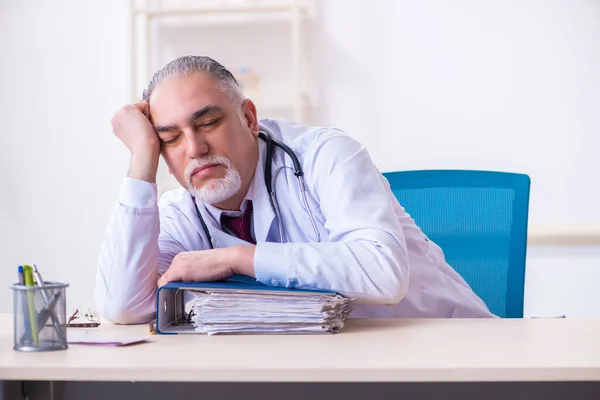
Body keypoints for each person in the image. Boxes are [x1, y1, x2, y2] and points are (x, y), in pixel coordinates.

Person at [95, 55, 494, 324]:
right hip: (332, 371)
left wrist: (238, 258)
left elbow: (383, 273)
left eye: (208, 123)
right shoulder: (184, 209)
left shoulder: (327, 156)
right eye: (170, 138)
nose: (195, 149)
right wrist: (142, 160)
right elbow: (123, 307)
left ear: (249, 118)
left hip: (451, 357)